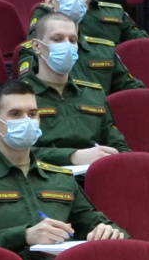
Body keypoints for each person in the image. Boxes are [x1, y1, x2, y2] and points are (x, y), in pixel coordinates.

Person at [0, 82, 127, 260]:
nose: (26, 121)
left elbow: (94, 222)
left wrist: (108, 231)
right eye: (15, 114)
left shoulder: (61, 177)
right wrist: (24, 235)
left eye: (32, 114)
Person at [21, 11, 127, 166]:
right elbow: (11, 152)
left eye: (72, 40)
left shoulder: (93, 93)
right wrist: (72, 156)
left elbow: (118, 145)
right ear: (36, 46)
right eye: (57, 39)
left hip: (93, 174)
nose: (67, 46)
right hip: (42, 176)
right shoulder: (17, 95)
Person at [14, 0, 143, 92]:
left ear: (86, 5)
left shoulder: (105, 50)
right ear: (50, 2)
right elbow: (27, 93)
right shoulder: (35, 49)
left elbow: (133, 89)